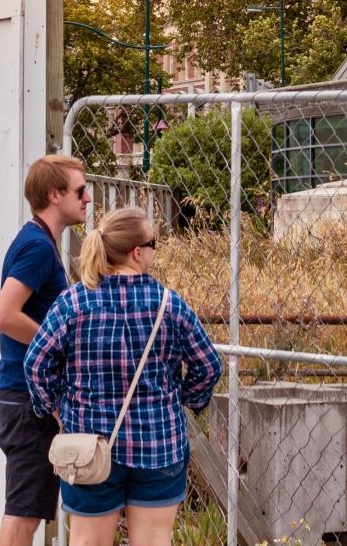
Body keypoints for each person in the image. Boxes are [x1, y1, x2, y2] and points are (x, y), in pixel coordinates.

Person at [24, 208, 221, 546]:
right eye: (153, 243)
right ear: (137, 252)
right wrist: (183, 400)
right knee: (154, 540)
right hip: (159, 444)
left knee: (87, 541)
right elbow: (208, 365)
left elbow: (36, 363)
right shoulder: (169, 305)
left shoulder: (73, 302)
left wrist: (57, 409)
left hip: (88, 445)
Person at [0, 153, 90, 546]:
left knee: (28, 511)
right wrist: (51, 343)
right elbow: (2, 314)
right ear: (54, 194)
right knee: (23, 514)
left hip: (26, 398)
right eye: (80, 191)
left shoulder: (40, 242)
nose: (88, 198)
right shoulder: (36, 247)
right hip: (25, 400)